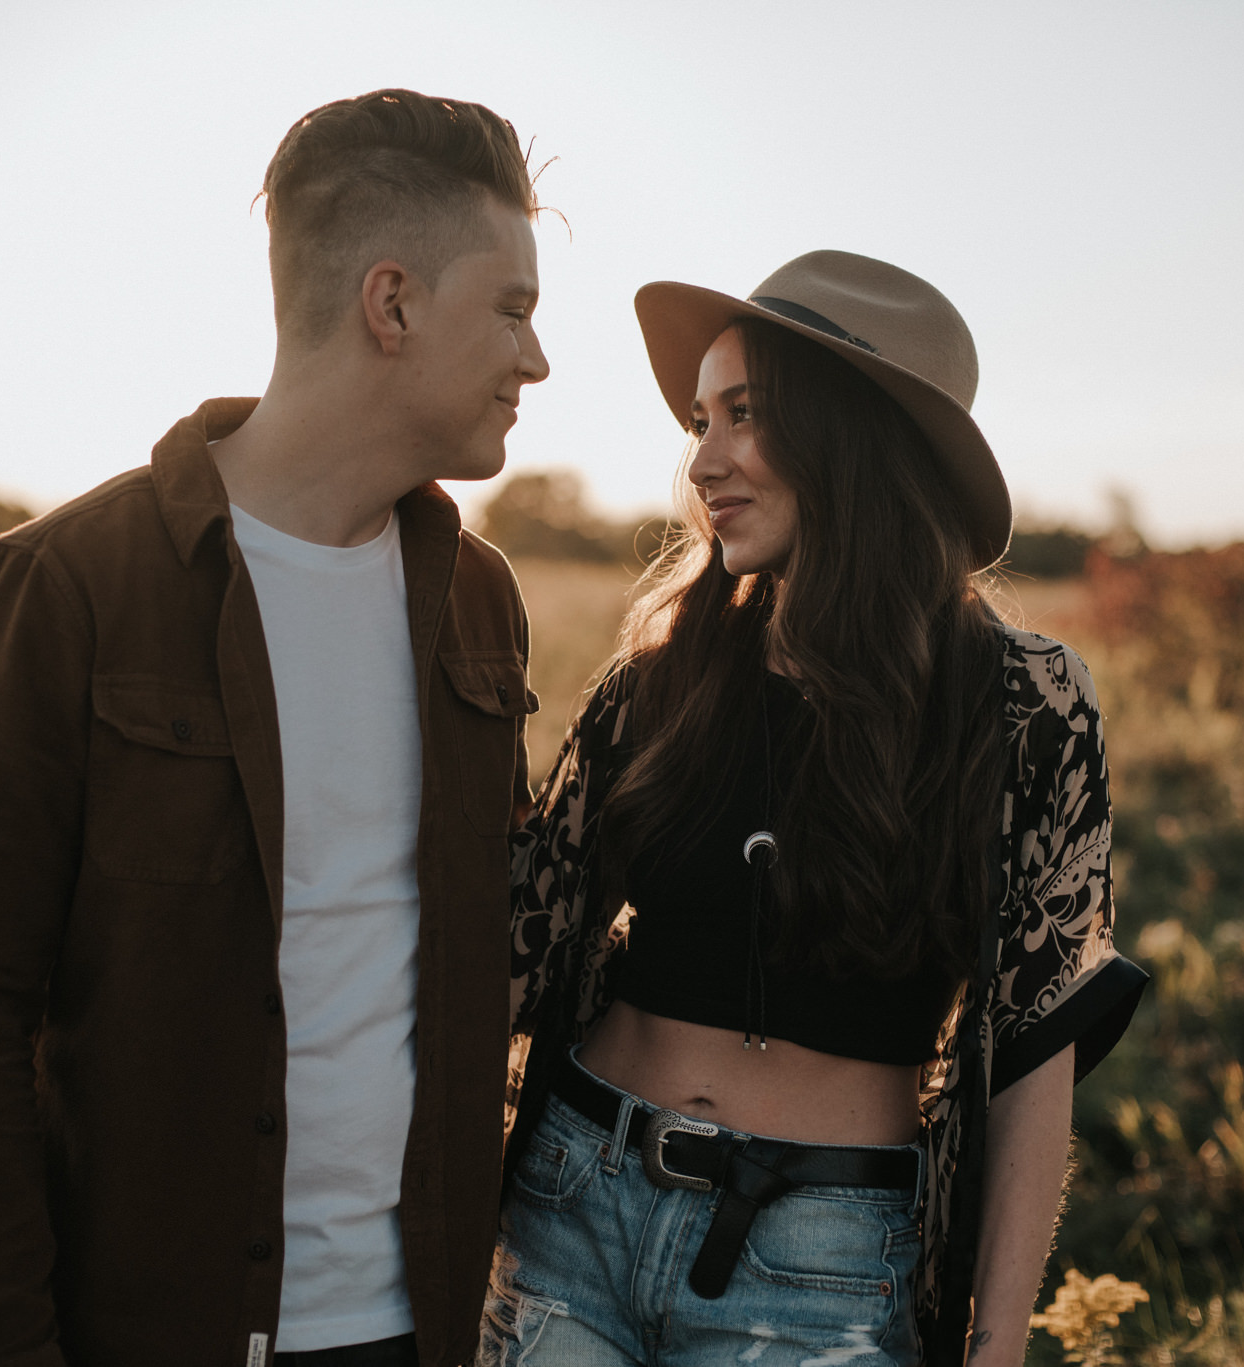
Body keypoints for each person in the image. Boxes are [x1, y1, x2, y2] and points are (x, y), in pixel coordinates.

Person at [0, 88, 550, 1367]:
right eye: (515, 310)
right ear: (393, 302)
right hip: (153, 1330)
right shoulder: (64, 587)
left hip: (415, 1332)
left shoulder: (479, 601)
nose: (535, 359)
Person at [487, 251, 1148, 1367]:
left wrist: (997, 1341)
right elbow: (517, 942)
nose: (701, 460)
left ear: (850, 434)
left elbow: (1037, 1046)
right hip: (573, 1201)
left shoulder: (1021, 705)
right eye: (698, 420)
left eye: (742, 414)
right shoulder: (661, 674)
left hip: (823, 1256)